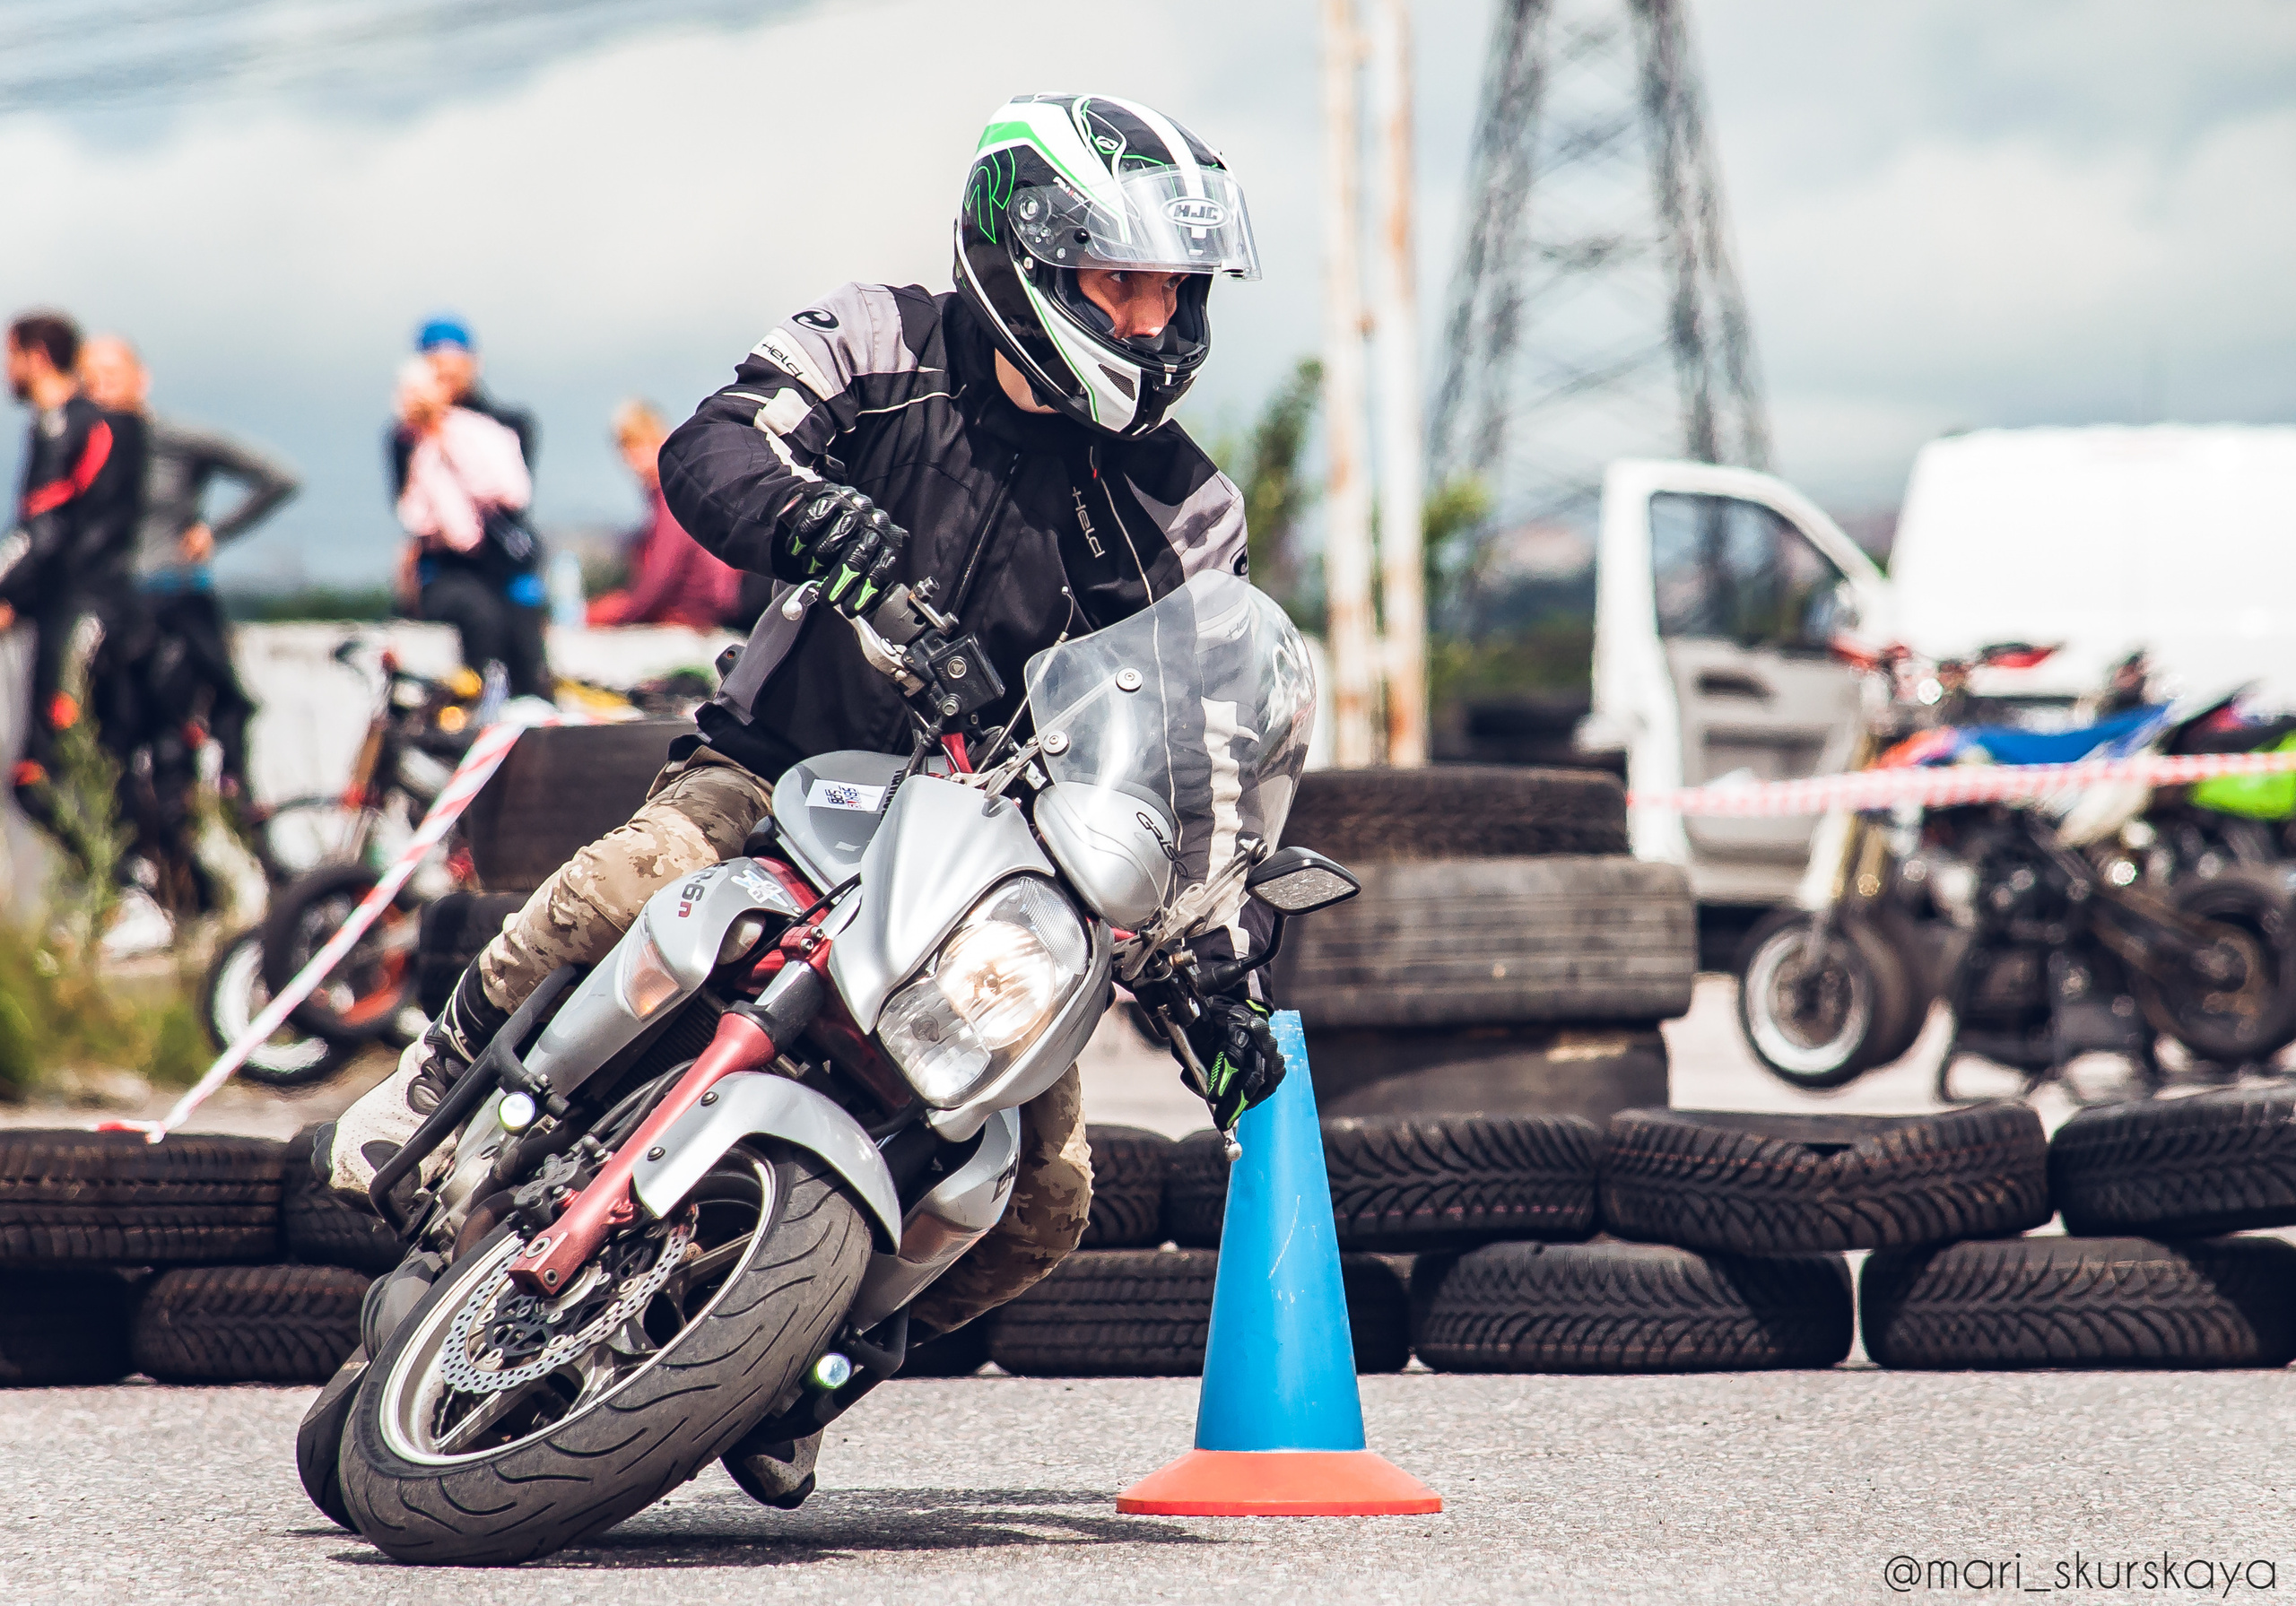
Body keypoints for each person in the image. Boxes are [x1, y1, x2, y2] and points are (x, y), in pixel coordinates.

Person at [319, 94, 1285, 1367]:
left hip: (998, 868)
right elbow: (717, 442)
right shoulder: (881, 336)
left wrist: (1210, 966)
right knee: (641, 871)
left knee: (1048, 1201)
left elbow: (1193, 761)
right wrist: (810, 521)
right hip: (778, 770)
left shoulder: (1189, 510)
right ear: (1027, 254)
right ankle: (439, 1074)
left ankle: (808, 1359)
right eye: (1122, 282)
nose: (1154, 321)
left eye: (1176, 289)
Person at [77, 335, 299, 803]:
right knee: (117, 738)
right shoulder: (79, 447)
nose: (102, 388)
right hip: (115, 607)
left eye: (111, 375)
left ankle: (231, 813)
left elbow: (279, 478)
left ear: (142, 379)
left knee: (197, 727)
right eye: (90, 380)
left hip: (177, 599)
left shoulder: (176, 439)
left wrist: (216, 532)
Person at [2, 309, 148, 812]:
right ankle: (126, 882)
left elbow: (43, 532)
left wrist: (6, 592)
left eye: (10, 356)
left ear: (36, 357)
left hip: (83, 616)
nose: (6, 370)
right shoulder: (80, 424)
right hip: (85, 610)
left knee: (43, 778)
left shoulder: (71, 424)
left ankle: (124, 886)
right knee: (95, 774)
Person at [391, 359, 552, 699]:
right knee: (480, 615)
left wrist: (447, 446)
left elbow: (508, 493)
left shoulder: (482, 430)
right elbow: (416, 516)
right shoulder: (417, 447)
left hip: (497, 567)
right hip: (455, 575)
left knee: (519, 633)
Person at [583, 399, 741, 629]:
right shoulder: (670, 493)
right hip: (685, 618)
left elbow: (658, 584)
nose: (632, 459)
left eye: (639, 445)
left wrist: (607, 614)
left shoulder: (673, 497)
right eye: (626, 448)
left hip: (693, 620)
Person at [387, 316, 535, 499]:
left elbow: (511, 494)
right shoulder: (406, 437)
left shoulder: (511, 425)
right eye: (440, 376)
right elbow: (406, 499)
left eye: (454, 374)